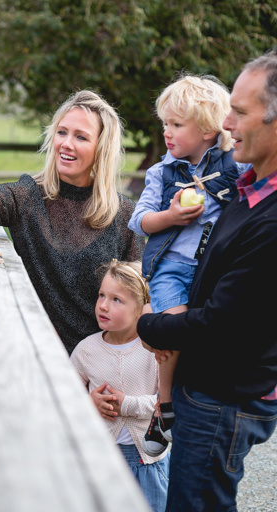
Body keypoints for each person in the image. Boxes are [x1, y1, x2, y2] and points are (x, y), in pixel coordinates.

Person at [137, 51, 277, 512]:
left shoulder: (266, 212)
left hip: (223, 394)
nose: (228, 124)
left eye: (238, 111)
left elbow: (224, 320)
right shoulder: (248, 190)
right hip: (209, 386)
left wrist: (149, 326)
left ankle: (163, 409)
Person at [127, 74, 249, 457]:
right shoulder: (163, 172)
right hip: (172, 268)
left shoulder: (234, 168)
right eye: (165, 123)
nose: (166, 132)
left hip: (213, 269)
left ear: (210, 129)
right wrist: (172, 216)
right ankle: (164, 409)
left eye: (177, 125)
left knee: (207, 334)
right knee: (172, 329)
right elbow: (139, 220)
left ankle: (199, 404)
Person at [0, 90, 144, 355]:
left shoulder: (124, 214)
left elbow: (139, 301)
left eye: (80, 137)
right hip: (38, 357)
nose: (66, 144)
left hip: (102, 366)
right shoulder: (26, 197)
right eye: (61, 132)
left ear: (101, 147)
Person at [70, 260, 169, 512]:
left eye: (116, 300)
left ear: (140, 308)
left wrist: (128, 404)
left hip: (148, 461)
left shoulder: (154, 350)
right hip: (100, 457)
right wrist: (87, 402)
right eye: (102, 295)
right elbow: (64, 397)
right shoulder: (86, 350)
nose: (103, 305)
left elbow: (167, 402)